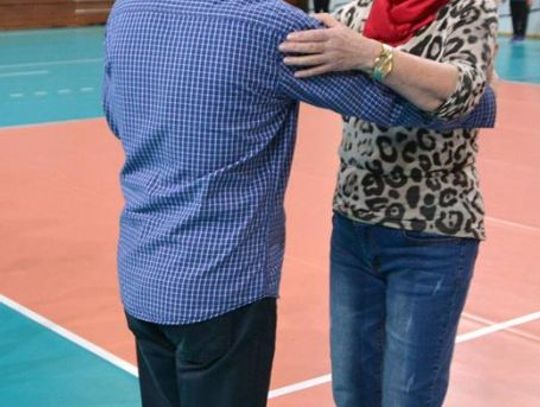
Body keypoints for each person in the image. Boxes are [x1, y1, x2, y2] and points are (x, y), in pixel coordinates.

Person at [103, 0, 496, 406]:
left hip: (143, 273)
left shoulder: (127, 11)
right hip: (223, 282)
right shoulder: (268, 24)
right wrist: (482, 101)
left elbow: (117, 117)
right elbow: (391, 105)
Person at [279, 0, 498, 405]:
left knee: (408, 396)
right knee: (352, 392)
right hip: (353, 224)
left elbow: (465, 93)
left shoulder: (468, 8)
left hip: (433, 233)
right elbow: (286, 46)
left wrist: (367, 54)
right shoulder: (357, 13)